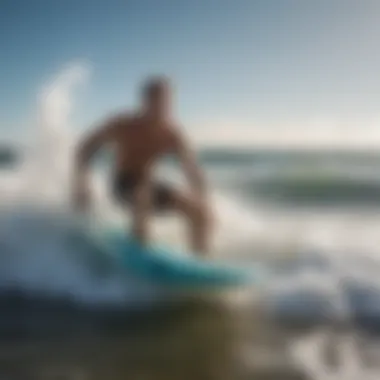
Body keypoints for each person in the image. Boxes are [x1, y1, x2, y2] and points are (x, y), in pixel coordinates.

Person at [72, 76, 212, 256]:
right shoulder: (123, 124)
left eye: (165, 101)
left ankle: (200, 263)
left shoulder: (172, 134)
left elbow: (192, 170)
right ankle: (139, 250)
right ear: (144, 101)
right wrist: (80, 183)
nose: (161, 106)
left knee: (199, 211)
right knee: (142, 194)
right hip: (123, 184)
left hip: (149, 183)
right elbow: (85, 147)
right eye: (155, 100)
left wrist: (203, 200)